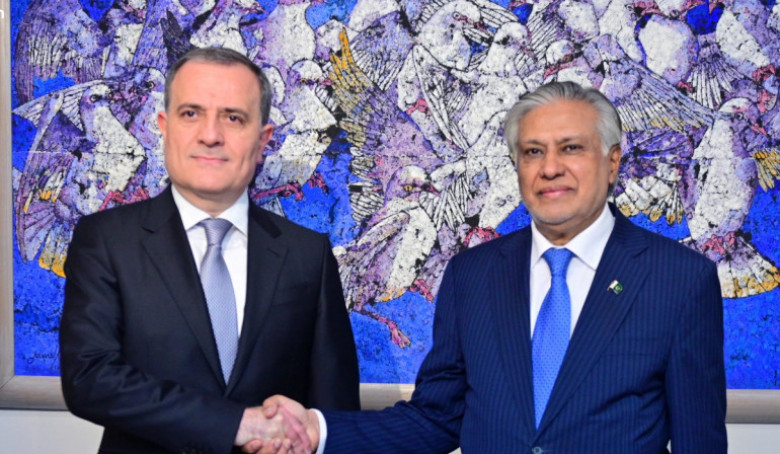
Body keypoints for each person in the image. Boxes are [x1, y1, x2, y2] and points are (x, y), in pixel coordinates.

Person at [258, 81, 728, 454]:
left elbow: (699, 443)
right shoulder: (472, 275)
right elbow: (437, 418)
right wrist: (316, 430)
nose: (549, 168)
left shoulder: (679, 280)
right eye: (533, 152)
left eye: (571, 148)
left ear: (612, 162)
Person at [59, 47, 360, 454]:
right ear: (164, 127)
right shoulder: (106, 240)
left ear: (263, 139)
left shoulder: (308, 254)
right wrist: (237, 423)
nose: (211, 135)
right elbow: (90, 379)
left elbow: (335, 414)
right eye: (191, 113)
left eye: (233, 118)